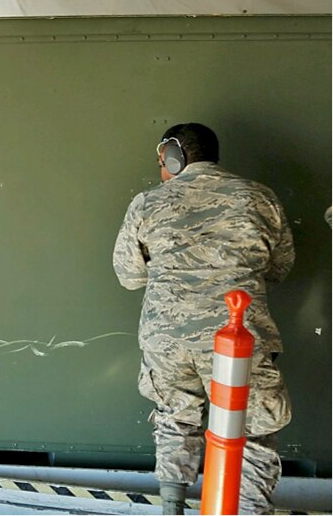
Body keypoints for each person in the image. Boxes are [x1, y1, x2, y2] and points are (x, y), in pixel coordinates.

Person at [112, 123, 294, 515]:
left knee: (175, 418)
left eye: (162, 160)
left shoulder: (147, 203)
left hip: (167, 341)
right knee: (253, 430)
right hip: (240, 336)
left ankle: (172, 507)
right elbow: (280, 268)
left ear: (173, 157)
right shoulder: (260, 198)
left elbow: (128, 277)